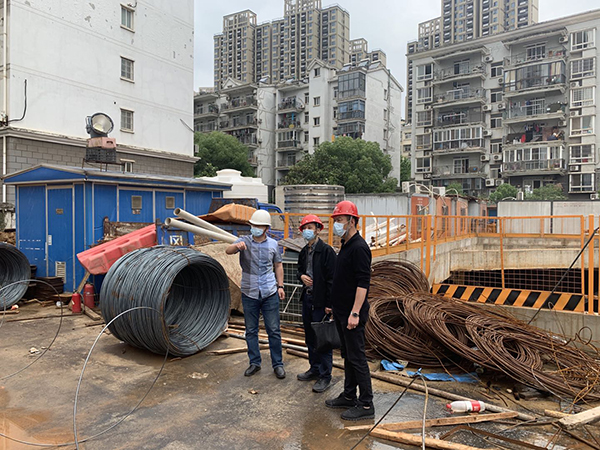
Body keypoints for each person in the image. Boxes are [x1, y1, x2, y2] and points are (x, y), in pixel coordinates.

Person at [324, 200, 374, 421]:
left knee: (357, 357)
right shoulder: (346, 244)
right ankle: (349, 395)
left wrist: (355, 312)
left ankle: (366, 404)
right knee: (348, 356)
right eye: (335, 220)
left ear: (352, 221)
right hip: (342, 312)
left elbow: (363, 283)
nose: (336, 224)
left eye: (340, 220)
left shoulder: (359, 248)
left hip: (352, 314)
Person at [225, 209, 286, 379]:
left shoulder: (273, 244)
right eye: (253, 225)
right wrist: (236, 247)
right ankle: (254, 363)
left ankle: (278, 364)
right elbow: (228, 251)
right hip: (249, 292)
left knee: (274, 330)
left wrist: (280, 286)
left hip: (269, 292)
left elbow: (278, 265)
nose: (255, 228)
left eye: (259, 226)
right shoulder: (243, 241)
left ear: (266, 228)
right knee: (251, 330)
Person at [296, 214, 337, 393]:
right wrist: (301, 277)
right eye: (305, 228)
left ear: (318, 230)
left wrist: (329, 304)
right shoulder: (304, 252)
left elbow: (332, 280)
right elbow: (299, 270)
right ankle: (314, 368)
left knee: (323, 339)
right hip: (307, 298)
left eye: (310, 228)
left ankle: (325, 375)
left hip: (321, 302)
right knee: (310, 337)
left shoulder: (326, 251)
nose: (307, 231)